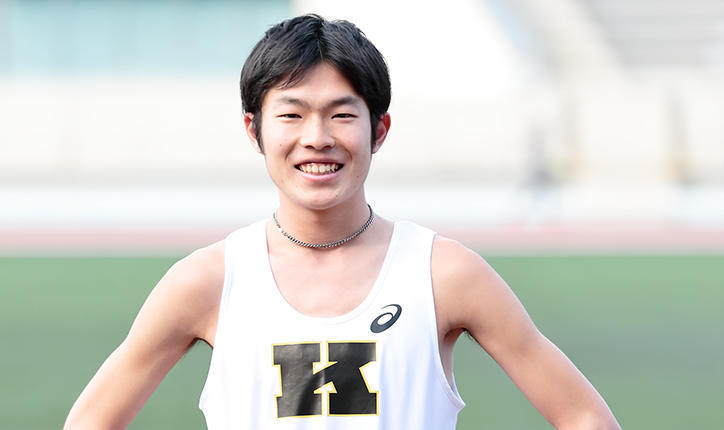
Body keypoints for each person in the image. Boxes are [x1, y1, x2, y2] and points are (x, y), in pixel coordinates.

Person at [64, 14, 621, 430]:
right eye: (291, 113)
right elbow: (90, 421)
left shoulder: (444, 274)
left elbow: (585, 417)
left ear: (378, 130)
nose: (317, 138)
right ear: (254, 130)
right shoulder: (209, 280)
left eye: (341, 114)